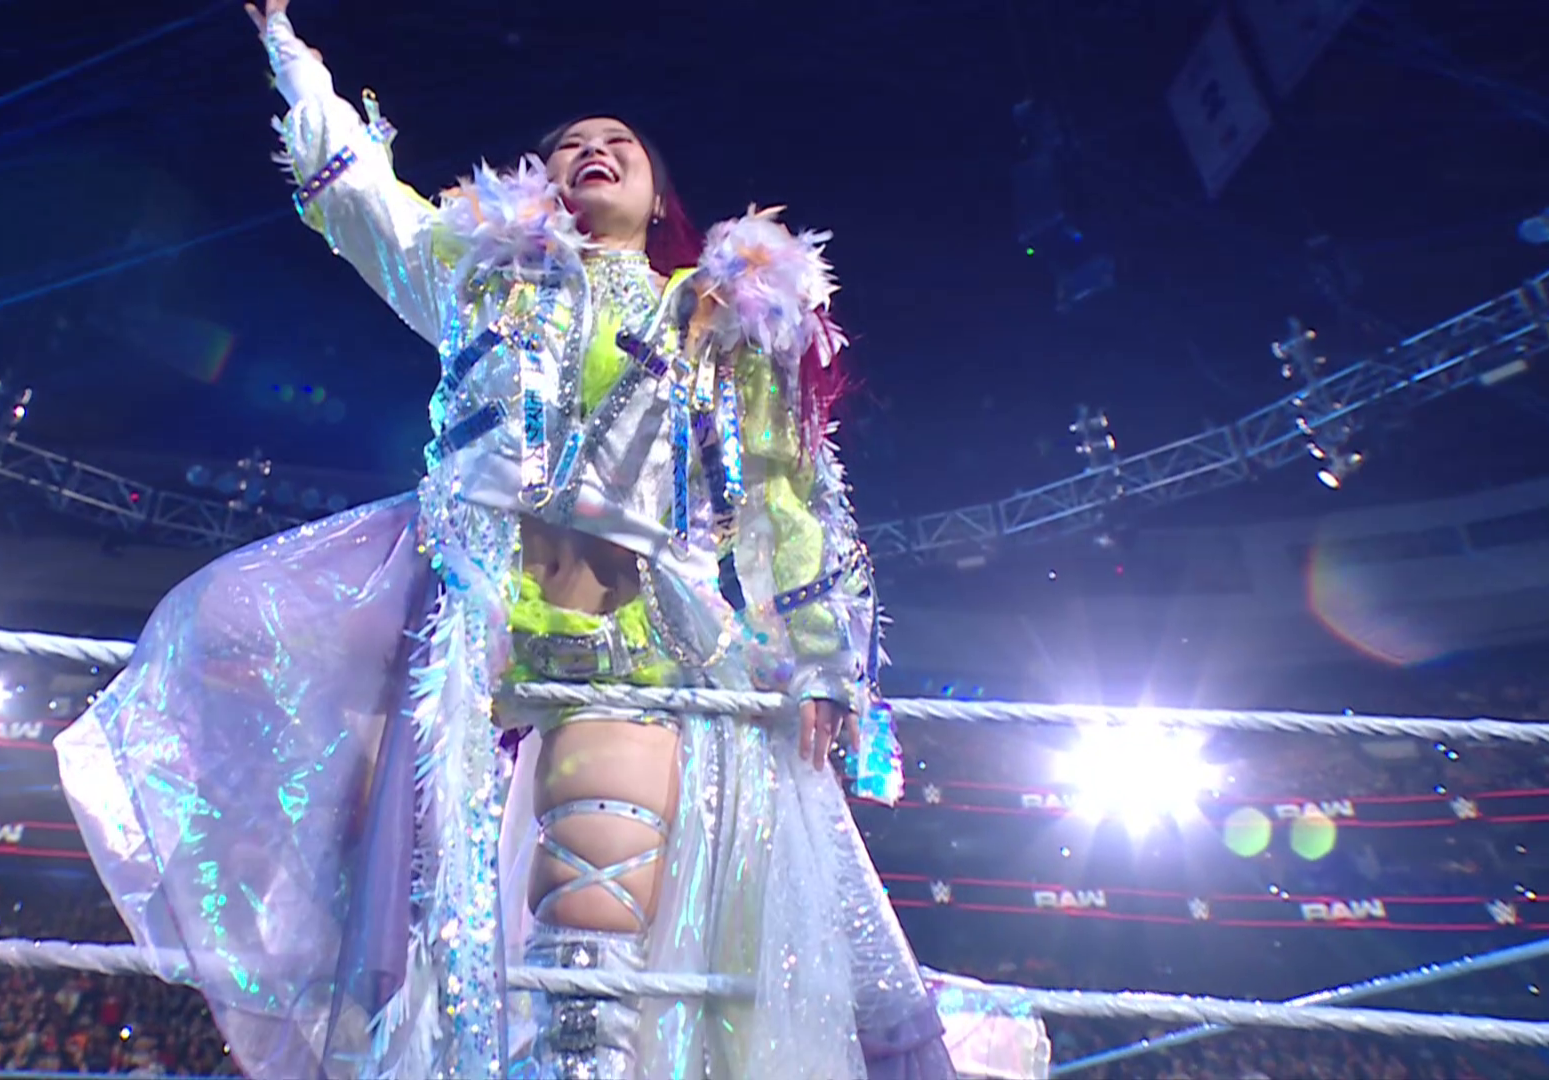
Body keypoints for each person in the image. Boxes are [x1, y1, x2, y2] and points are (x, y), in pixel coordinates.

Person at [56, 2, 1051, 1078]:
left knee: (593, 928)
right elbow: (362, 201)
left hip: (634, 651)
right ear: (541, 182)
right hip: (466, 641)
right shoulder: (483, 282)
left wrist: (821, 663)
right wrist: (290, 53)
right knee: (283, 697)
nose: (593, 148)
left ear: (659, 198)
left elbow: (786, 499)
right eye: (571, 143)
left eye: (619, 142)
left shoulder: (716, 314)